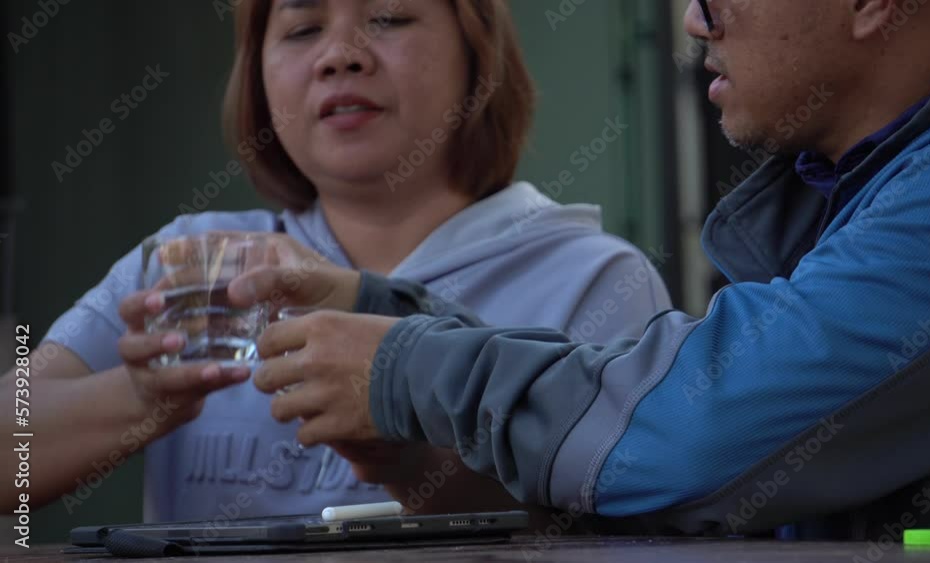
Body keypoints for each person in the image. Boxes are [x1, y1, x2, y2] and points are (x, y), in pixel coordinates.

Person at [209, 0, 930, 543]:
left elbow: (701, 433)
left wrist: (404, 365)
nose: (695, 20)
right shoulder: (867, 182)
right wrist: (391, 318)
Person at [0, 0, 670, 521]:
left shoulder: (593, 278)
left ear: (477, 52)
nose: (340, 56)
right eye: (301, 29)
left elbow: (627, 520)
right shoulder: (189, 263)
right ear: (256, 76)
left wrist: (407, 450)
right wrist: (137, 399)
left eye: (389, 18)